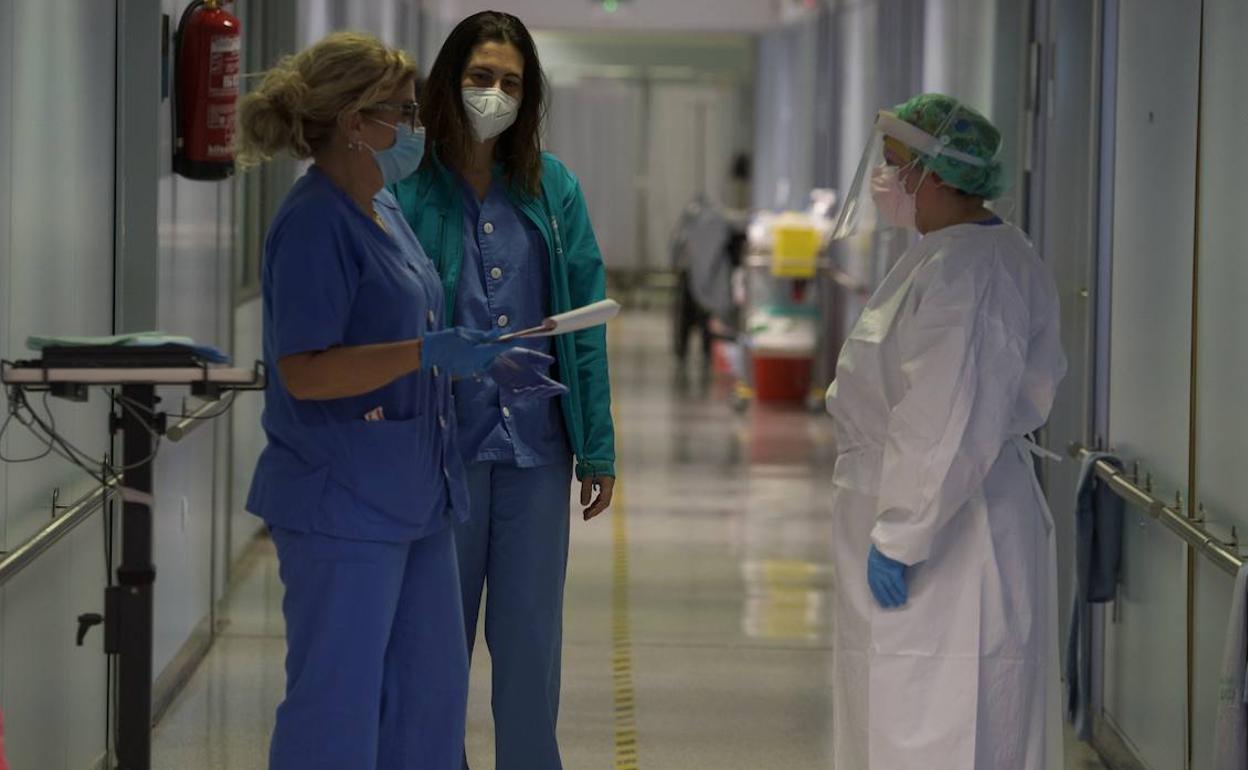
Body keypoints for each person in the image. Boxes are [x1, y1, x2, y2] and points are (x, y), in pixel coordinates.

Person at [236, 31, 556, 770]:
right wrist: (423, 355)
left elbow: (414, 324)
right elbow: (306, 372)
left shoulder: (383, 209)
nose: (416, 131)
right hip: (341, 502)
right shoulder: (314, 222)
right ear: (356, 121)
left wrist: (472, 355)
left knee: (430, 702)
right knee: (338, 704)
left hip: (417, 497)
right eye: (403, 116)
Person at [390, 11, 616, 770]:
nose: (494, 93)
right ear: (448, 83)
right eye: (481, 76)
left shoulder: (552, 190)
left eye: (511, 82)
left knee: (529, 647)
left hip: (536, 452)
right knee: (434, 647)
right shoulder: (409, 190)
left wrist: (599, 450)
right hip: (438, 451)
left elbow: (585, 323)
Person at [824, 93, 1067, 770]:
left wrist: (903, 532)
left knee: (938, 724)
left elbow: (946, 416)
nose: (885, 179)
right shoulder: (947, 254)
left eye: (896, 163)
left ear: (938, 174)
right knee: (898, 713)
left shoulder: (972, 271)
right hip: (927, 515)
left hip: (950, 532)